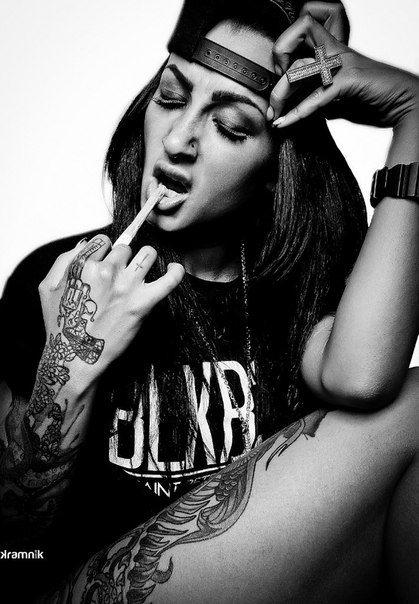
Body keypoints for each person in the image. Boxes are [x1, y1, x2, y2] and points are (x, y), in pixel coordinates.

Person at [1, 0, 418, 601]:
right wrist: (72, 359)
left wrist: (414, 113)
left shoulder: (290, 290)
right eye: (171, 97)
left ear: (276, 169)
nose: (177, 140)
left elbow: (363, 380)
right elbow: (13, 549)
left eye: (230, 127)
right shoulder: (63, 281)